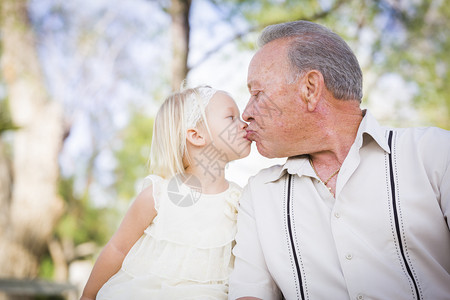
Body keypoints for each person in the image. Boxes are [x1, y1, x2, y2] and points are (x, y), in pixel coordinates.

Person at [229, 20, 450, 300]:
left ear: (310, 88)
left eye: (258, 93)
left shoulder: (435, 153)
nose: (246, 113)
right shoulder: (259, 195)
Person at [81, 86, 252, 300]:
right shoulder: (158, 195)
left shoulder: (239, 200)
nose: (245, 122)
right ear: (196, 135)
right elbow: (117, 248)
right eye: (231, 117)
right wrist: (87, 297)